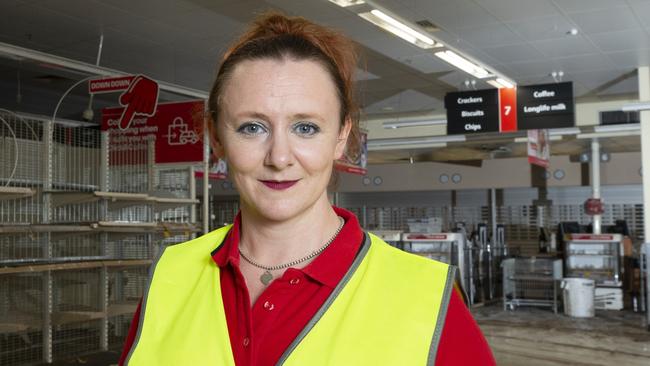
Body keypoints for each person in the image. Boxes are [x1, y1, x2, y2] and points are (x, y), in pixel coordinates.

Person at [119, 11, 495, 366]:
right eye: (252, 127)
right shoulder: (171, 274)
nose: (279, 157)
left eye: (306, 128)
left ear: (341, 136)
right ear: (216, 137)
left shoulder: (427, 299)